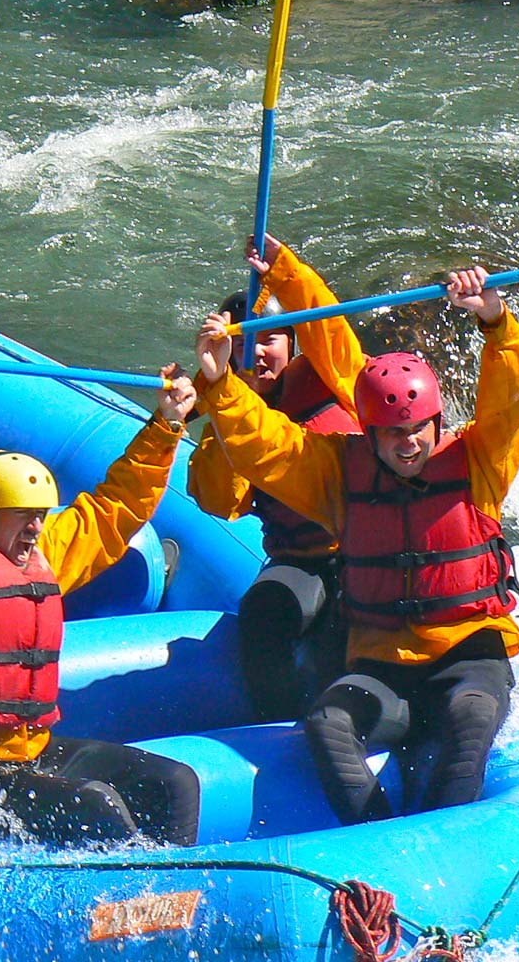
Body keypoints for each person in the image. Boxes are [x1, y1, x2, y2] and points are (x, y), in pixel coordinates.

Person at [193, 266, 519, 825]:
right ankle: (377, 841)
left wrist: (495, 323)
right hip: (386, 663)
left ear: (436, 421)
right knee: (328, 722)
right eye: (393, 433)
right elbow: (267, 448)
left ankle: (438, 844)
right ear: (370, 430)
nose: (408, 445)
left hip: (468, 654)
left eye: (418, 430)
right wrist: (221, 387)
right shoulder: (338, 474)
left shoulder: (479, 462)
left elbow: (516, 399)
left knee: (470, 722)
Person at [0, 354, 204, 847]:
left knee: (175, 784)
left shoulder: (44, 554)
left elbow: (113, 510)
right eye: (20, 515)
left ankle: (168, 901)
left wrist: (166, 425)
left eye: (39, 514)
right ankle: (115, 911)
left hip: (26, 750)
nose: (35, 526)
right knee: (99, 806)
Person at [187, 237, 365, 721]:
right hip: (299, 560)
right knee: (264, 613)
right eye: (242, 345)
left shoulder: (333, 377)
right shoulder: (229, 411)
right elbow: (219, 500)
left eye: (267, 339)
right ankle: (274, 727)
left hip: (365, 554)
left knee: (345, 644)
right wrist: (221, 388)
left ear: (291, 343)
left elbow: (327, 322)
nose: (256, 355)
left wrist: (283, 271)